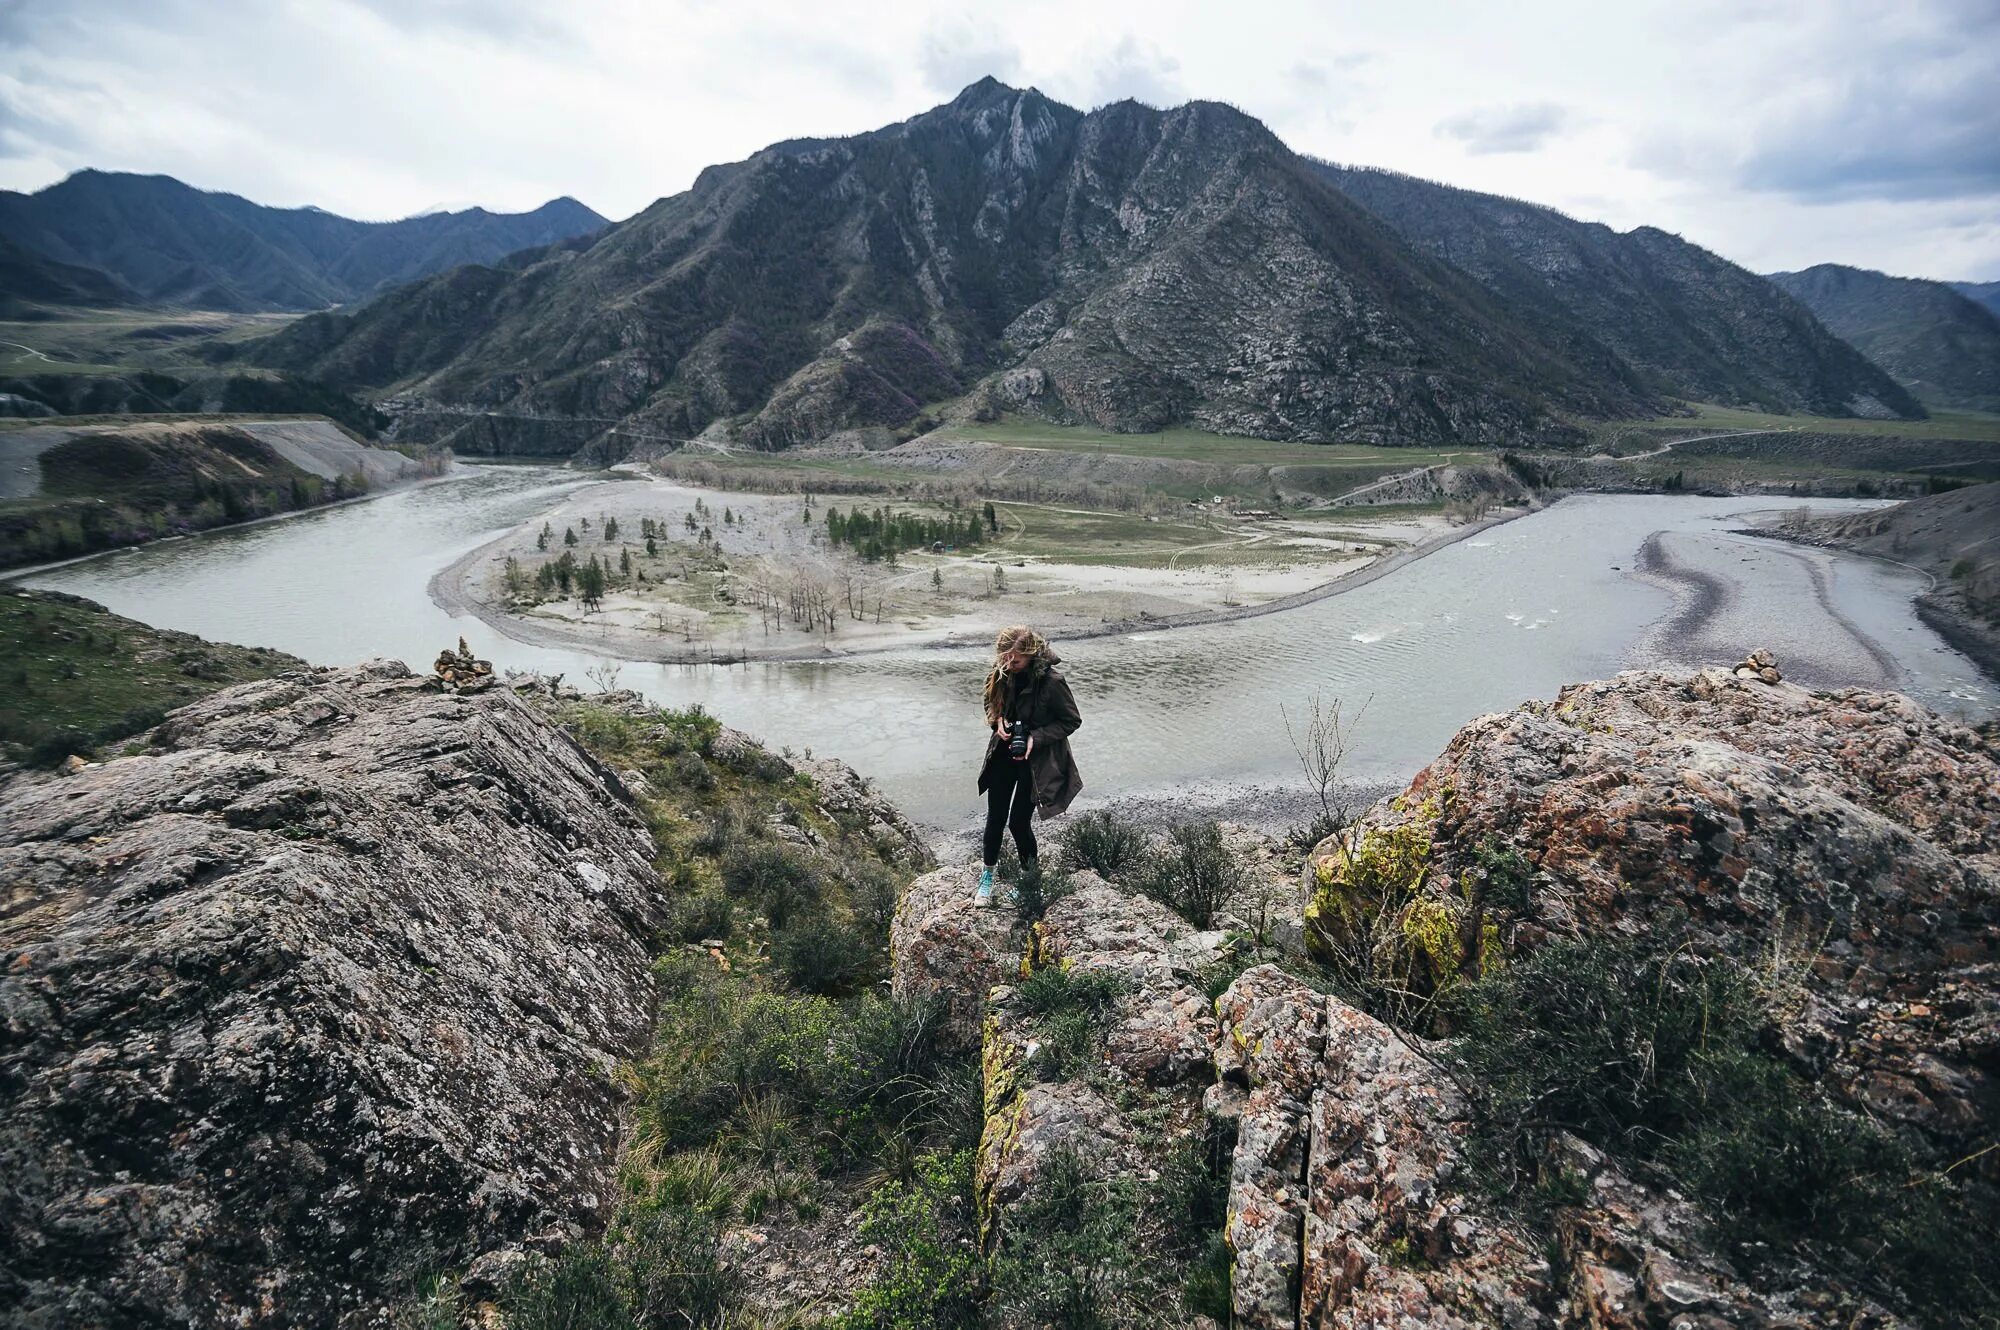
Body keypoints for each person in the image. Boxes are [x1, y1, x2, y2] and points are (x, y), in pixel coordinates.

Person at [975, 625, 1083, 906]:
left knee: (1019, 823)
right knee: (994, 819)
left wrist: (1036, 737)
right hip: (1003, 755)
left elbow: (1072, 721)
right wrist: (996, 722)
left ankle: (1029, 882)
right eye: (1005, 659)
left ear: (1032, 656)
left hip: (1034, 765)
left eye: (1016, 661)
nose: (1010, 665)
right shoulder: (1000, 672)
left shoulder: (1052, 682)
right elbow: (989, 700)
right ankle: (987, 879)